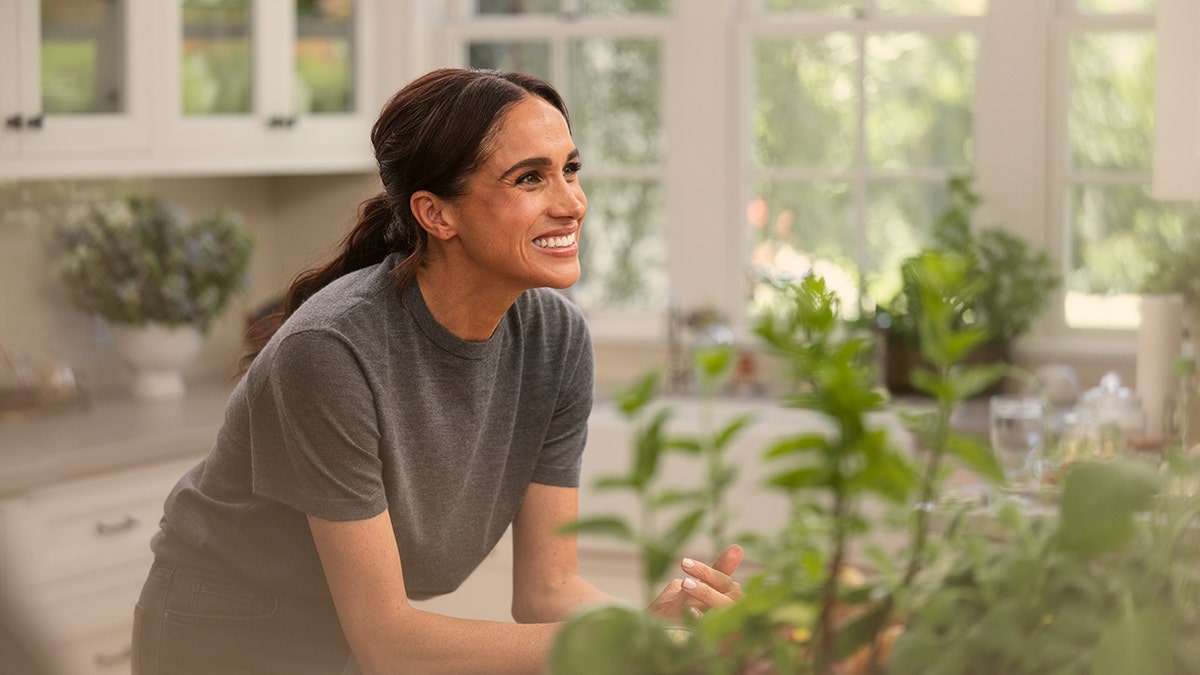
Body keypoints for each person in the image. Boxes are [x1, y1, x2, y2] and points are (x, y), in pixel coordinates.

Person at [131, 67, 743, 675]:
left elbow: (548, 590)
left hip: (355, 632)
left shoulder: (555, 339)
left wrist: (663, 629)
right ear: (436, 214)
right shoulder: (332, 352)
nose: (571, 202)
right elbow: (390, 643)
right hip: (224, 628)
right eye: (530, 178)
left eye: (570, 169)